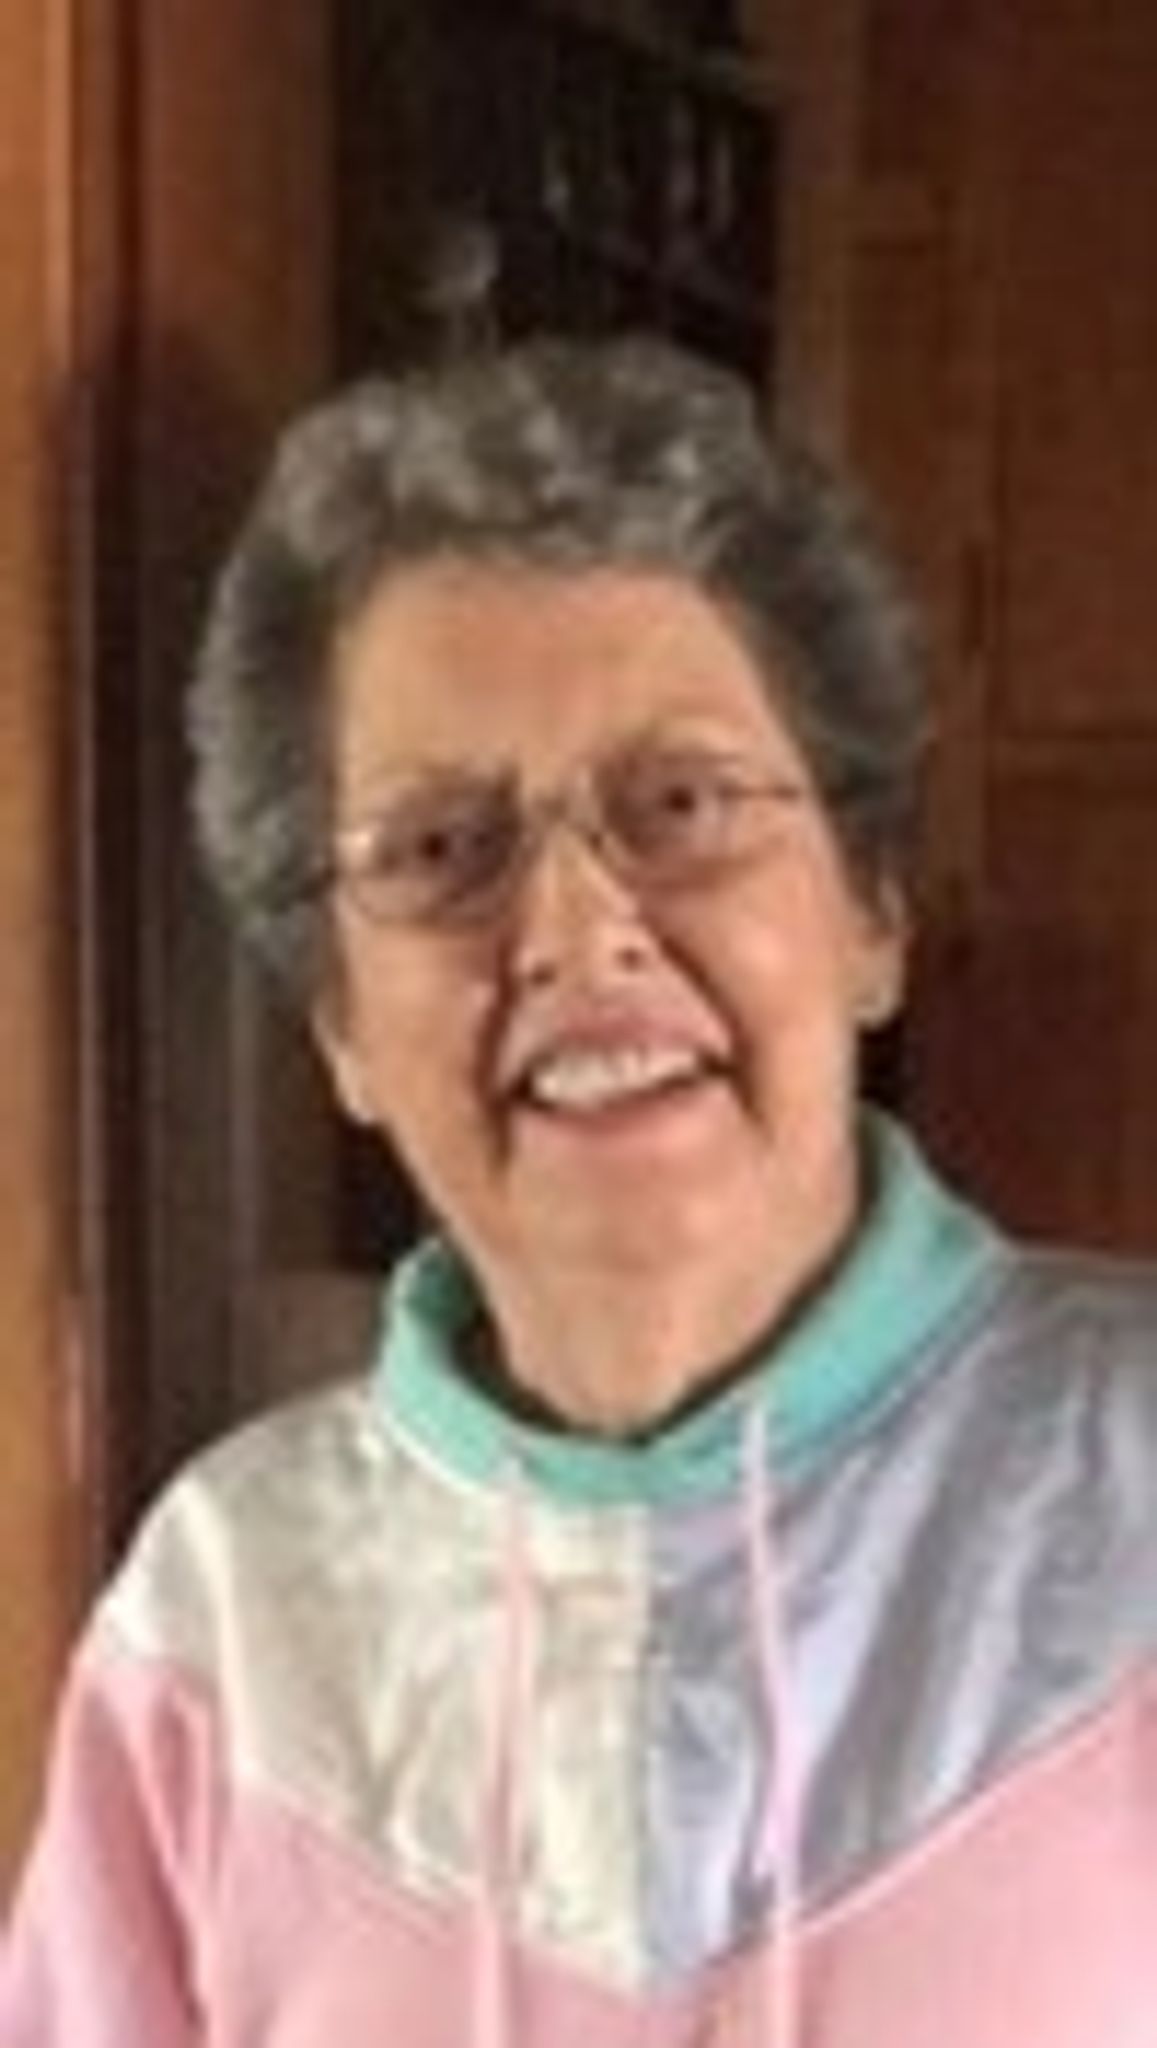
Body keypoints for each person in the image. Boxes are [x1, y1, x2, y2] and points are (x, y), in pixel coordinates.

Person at [4, 336, 1157, 2048]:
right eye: (437, 849)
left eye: (680, 803)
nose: (572, 933)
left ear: (868, 911)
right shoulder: (225, 1620)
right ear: (338, 1024)